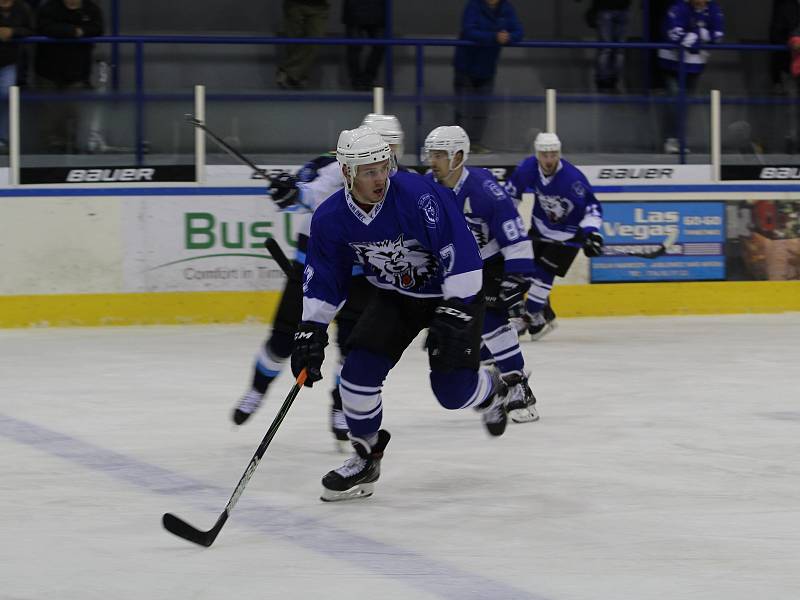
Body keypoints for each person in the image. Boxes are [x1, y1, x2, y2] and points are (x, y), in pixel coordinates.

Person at [291, 125, 509, 502]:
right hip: (397, 296)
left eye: (383, 167)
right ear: (347, 173)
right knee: (356, 376)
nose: (380, 178)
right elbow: (327, 276)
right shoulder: (330, 218)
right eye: (369, 171)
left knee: (452, 393)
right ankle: (365, 457)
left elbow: (459, 249)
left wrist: (457, 309)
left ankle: (492, 389)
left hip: (450, 296)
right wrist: (310, 328)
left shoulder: (417, 196)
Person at [232, 114, 407, 452]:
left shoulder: (398, 180)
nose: (388, 156)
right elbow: (306, 195)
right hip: (315, 266)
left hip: (363, 274)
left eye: (393, 148)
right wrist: (289, 192)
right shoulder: (336, 168)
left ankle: (341, 404)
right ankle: (258, 387)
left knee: (353, 347)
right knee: (285, 339)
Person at [423, 125, 539, 423]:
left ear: (459, 156)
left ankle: (517, 384)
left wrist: (518, 273)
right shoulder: (427, 188)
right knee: (461, 329)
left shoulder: (485, 188)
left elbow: (512, 229)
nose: (432, 161)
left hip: (489, 263)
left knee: (492, 322)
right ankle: (488, 387)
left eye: (440, 155)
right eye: (431, 154)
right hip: (452, 268)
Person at [505, 133, 604, 340]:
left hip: (568, 237)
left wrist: (591, 233)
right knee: (521, 272)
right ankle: (544, 317)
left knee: (543, 274)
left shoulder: (572, 179)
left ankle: (528, 318)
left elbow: (592, 207)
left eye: (553, 154)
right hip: (540, 230)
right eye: (544, 154)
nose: (549, 159)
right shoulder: (527, 168)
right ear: (537, 154)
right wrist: (505, 224)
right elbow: (510, 198)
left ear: (559, 153)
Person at [453, 0, 522, 154]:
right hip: (466, 66)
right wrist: (494, 37)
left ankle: (475, 144)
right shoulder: (473, 6)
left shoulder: (506, 8)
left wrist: (509, 37)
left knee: (482, 109)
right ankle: (457, 146)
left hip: (487, 69)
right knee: (463, 108)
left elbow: (519, 31)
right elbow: (469, 31)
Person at [34, 0, 104, 153]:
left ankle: (73, 147)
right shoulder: (49, 8)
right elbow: (45, 28)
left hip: (77, 71)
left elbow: (97, 29)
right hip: (48, 71)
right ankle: (54, 149)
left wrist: (78, 31)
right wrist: (74, 31)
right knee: (52, 114)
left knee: (75, 111)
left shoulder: (91, 9)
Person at [657, 0, 724, 154]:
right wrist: (702, 35)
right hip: (672, 64)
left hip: (695, 66)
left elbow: (718, 35)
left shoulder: (714, 9)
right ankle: (671, 139)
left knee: (686, 104)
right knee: (675, 101)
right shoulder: (677, 7)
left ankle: (678, 138)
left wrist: (696, 35)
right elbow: (675, 34)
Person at [0, 0, 34, 148]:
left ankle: (3, 139)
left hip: (10, 63)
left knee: (7, 99)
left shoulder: (22, 8)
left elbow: (31, 30)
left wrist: (13, 32)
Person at [579, 0, 632, 92]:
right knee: (617, 50)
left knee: (607, 49)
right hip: (620, 8)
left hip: (608, 8)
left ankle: (605, 81)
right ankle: (610, 81)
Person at [276, 0, 330, 90]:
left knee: (315, 41)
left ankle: (287, 71)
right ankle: (296, 77)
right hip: (294, 4)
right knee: (293, 45)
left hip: (320, 6)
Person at [342, 0, 385, 91]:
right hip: (355, 10)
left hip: (376, 10)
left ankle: (366, 79)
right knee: (355, 47)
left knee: (380, 45)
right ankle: (358, 80)